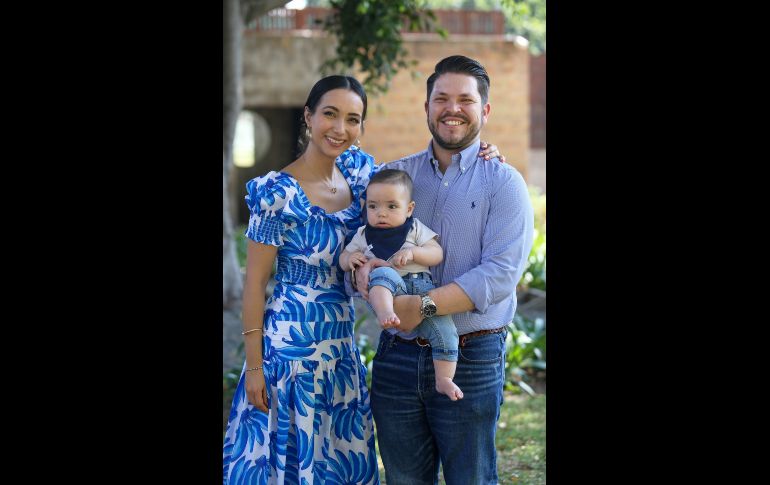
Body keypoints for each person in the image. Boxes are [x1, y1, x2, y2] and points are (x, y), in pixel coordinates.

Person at [222, 74, 503, 484]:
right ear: (308, 117)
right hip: (289, 354)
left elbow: (411, 179)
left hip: (340, 350)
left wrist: (481, 153)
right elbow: (254, 285)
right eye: (330, 115)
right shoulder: (276, 194)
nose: (340, 129)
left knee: (339, 461)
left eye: (353, 119)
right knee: (289, 465)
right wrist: (254, 369)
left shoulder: (359, 175)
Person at [355, 55, 535, 484]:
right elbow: (362, 246)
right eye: (441, 98)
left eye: (465, 100)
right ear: (427, 107)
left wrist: (424, 306)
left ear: (484, 110)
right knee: (402, 478)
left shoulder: (504, 182)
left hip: (471, 357)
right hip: (396, 357)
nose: (452, 108)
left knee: (469, 477)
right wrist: (363, 275)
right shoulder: (397, 177)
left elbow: (499, 274)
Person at [340, 168, 463, 401]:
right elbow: (343, 258)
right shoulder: (364, 234)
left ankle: (444, 378)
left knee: (447, 332)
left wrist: (415, 252)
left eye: (391, 206)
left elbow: (436, 253)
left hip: (424, 291)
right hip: (390, 291)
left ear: (409, 209)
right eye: (373, 206)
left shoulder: (415, 228)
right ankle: (386, 313)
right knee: (383, 274)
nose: (381, 214)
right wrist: (350, 260)